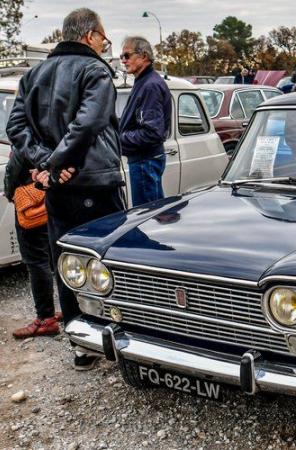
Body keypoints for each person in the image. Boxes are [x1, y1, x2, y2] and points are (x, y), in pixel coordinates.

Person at [6, 8, 126, 369]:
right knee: (109, 259)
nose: (106, 43)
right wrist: (53, 162)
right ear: (89, 35)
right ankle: (116, 335)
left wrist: (45, 163)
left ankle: (81, 343)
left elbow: (16, 127)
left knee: (66, 261)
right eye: (104, 36)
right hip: (95, 179)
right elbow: (89, 124)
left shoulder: (34, 73)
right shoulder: (95, 70)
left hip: (59, 185)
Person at [4, 150, 59, 338]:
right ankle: (71, 309)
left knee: (36, 260)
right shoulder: (57, 123)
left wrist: (11, 193)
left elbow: (14, 167)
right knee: (55, 256)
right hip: (53, 194)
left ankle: (46, 319)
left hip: (30, 199)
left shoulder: (26, 126)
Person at [118, 36, 171, 206]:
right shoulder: (143, 82)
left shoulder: (150, 86)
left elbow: (151, 133)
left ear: (144, 56)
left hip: (144, 162)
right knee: (153, 214)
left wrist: (118, 139)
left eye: (127, 55)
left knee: (145, 219)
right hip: (143, 160)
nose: (123, 61)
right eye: (122, 57)